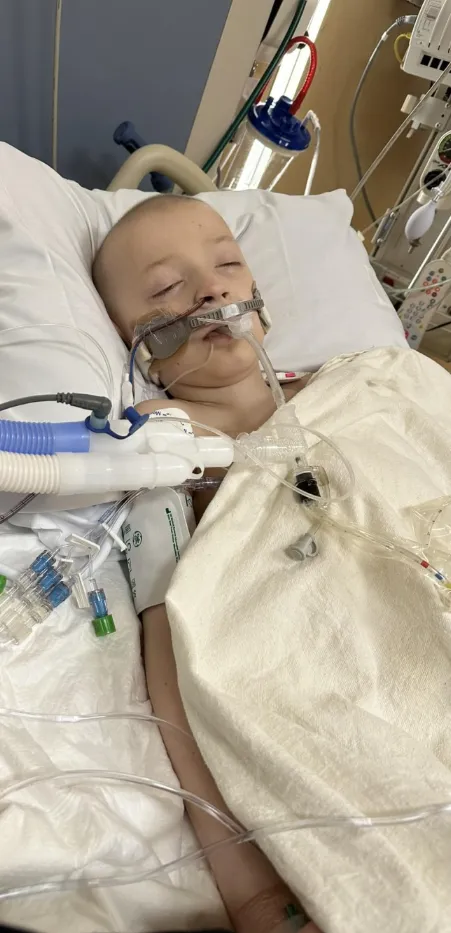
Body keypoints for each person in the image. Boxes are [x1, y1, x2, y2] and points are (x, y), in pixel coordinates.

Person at [93, 196, 319, 933]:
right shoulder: (168, 446)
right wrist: (250, 890)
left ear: (259, 296)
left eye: (227, 264)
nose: (212, 289)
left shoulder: (356, 386)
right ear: (138, 343)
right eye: (167, 288)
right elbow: (172, 649)